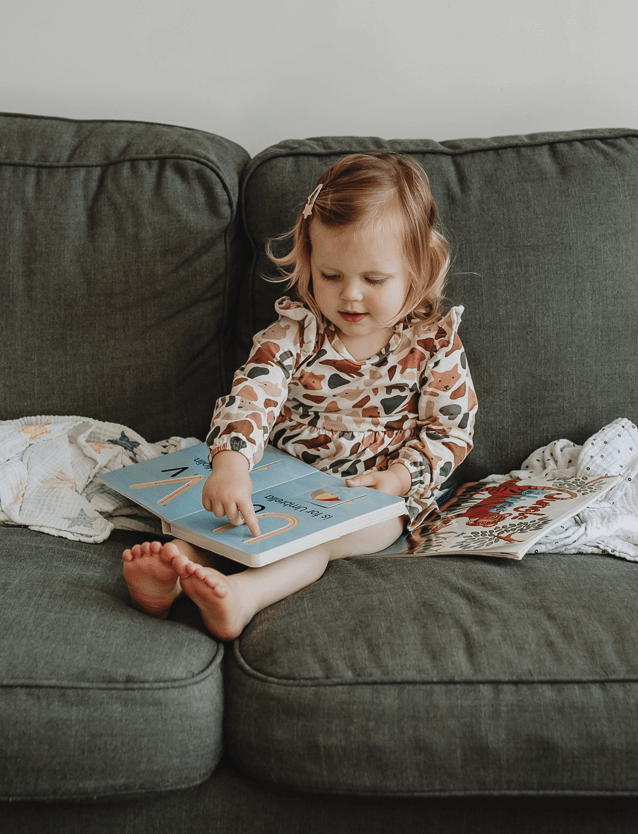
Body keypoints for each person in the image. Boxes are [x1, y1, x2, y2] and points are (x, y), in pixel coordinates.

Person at [122, 152, 477, 639]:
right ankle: (178, 567)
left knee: (314, 544)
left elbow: (450, 430)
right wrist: (232, 465)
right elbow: (254, 395)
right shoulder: (294, 334)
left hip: (367, 496)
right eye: (331, 276)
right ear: (309, 260)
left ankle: (245, 597)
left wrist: (398, 478)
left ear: (419, 268)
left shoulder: (434, 344)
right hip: (278, 477)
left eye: (374, 280)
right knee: (222, 519)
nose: (350, 296)